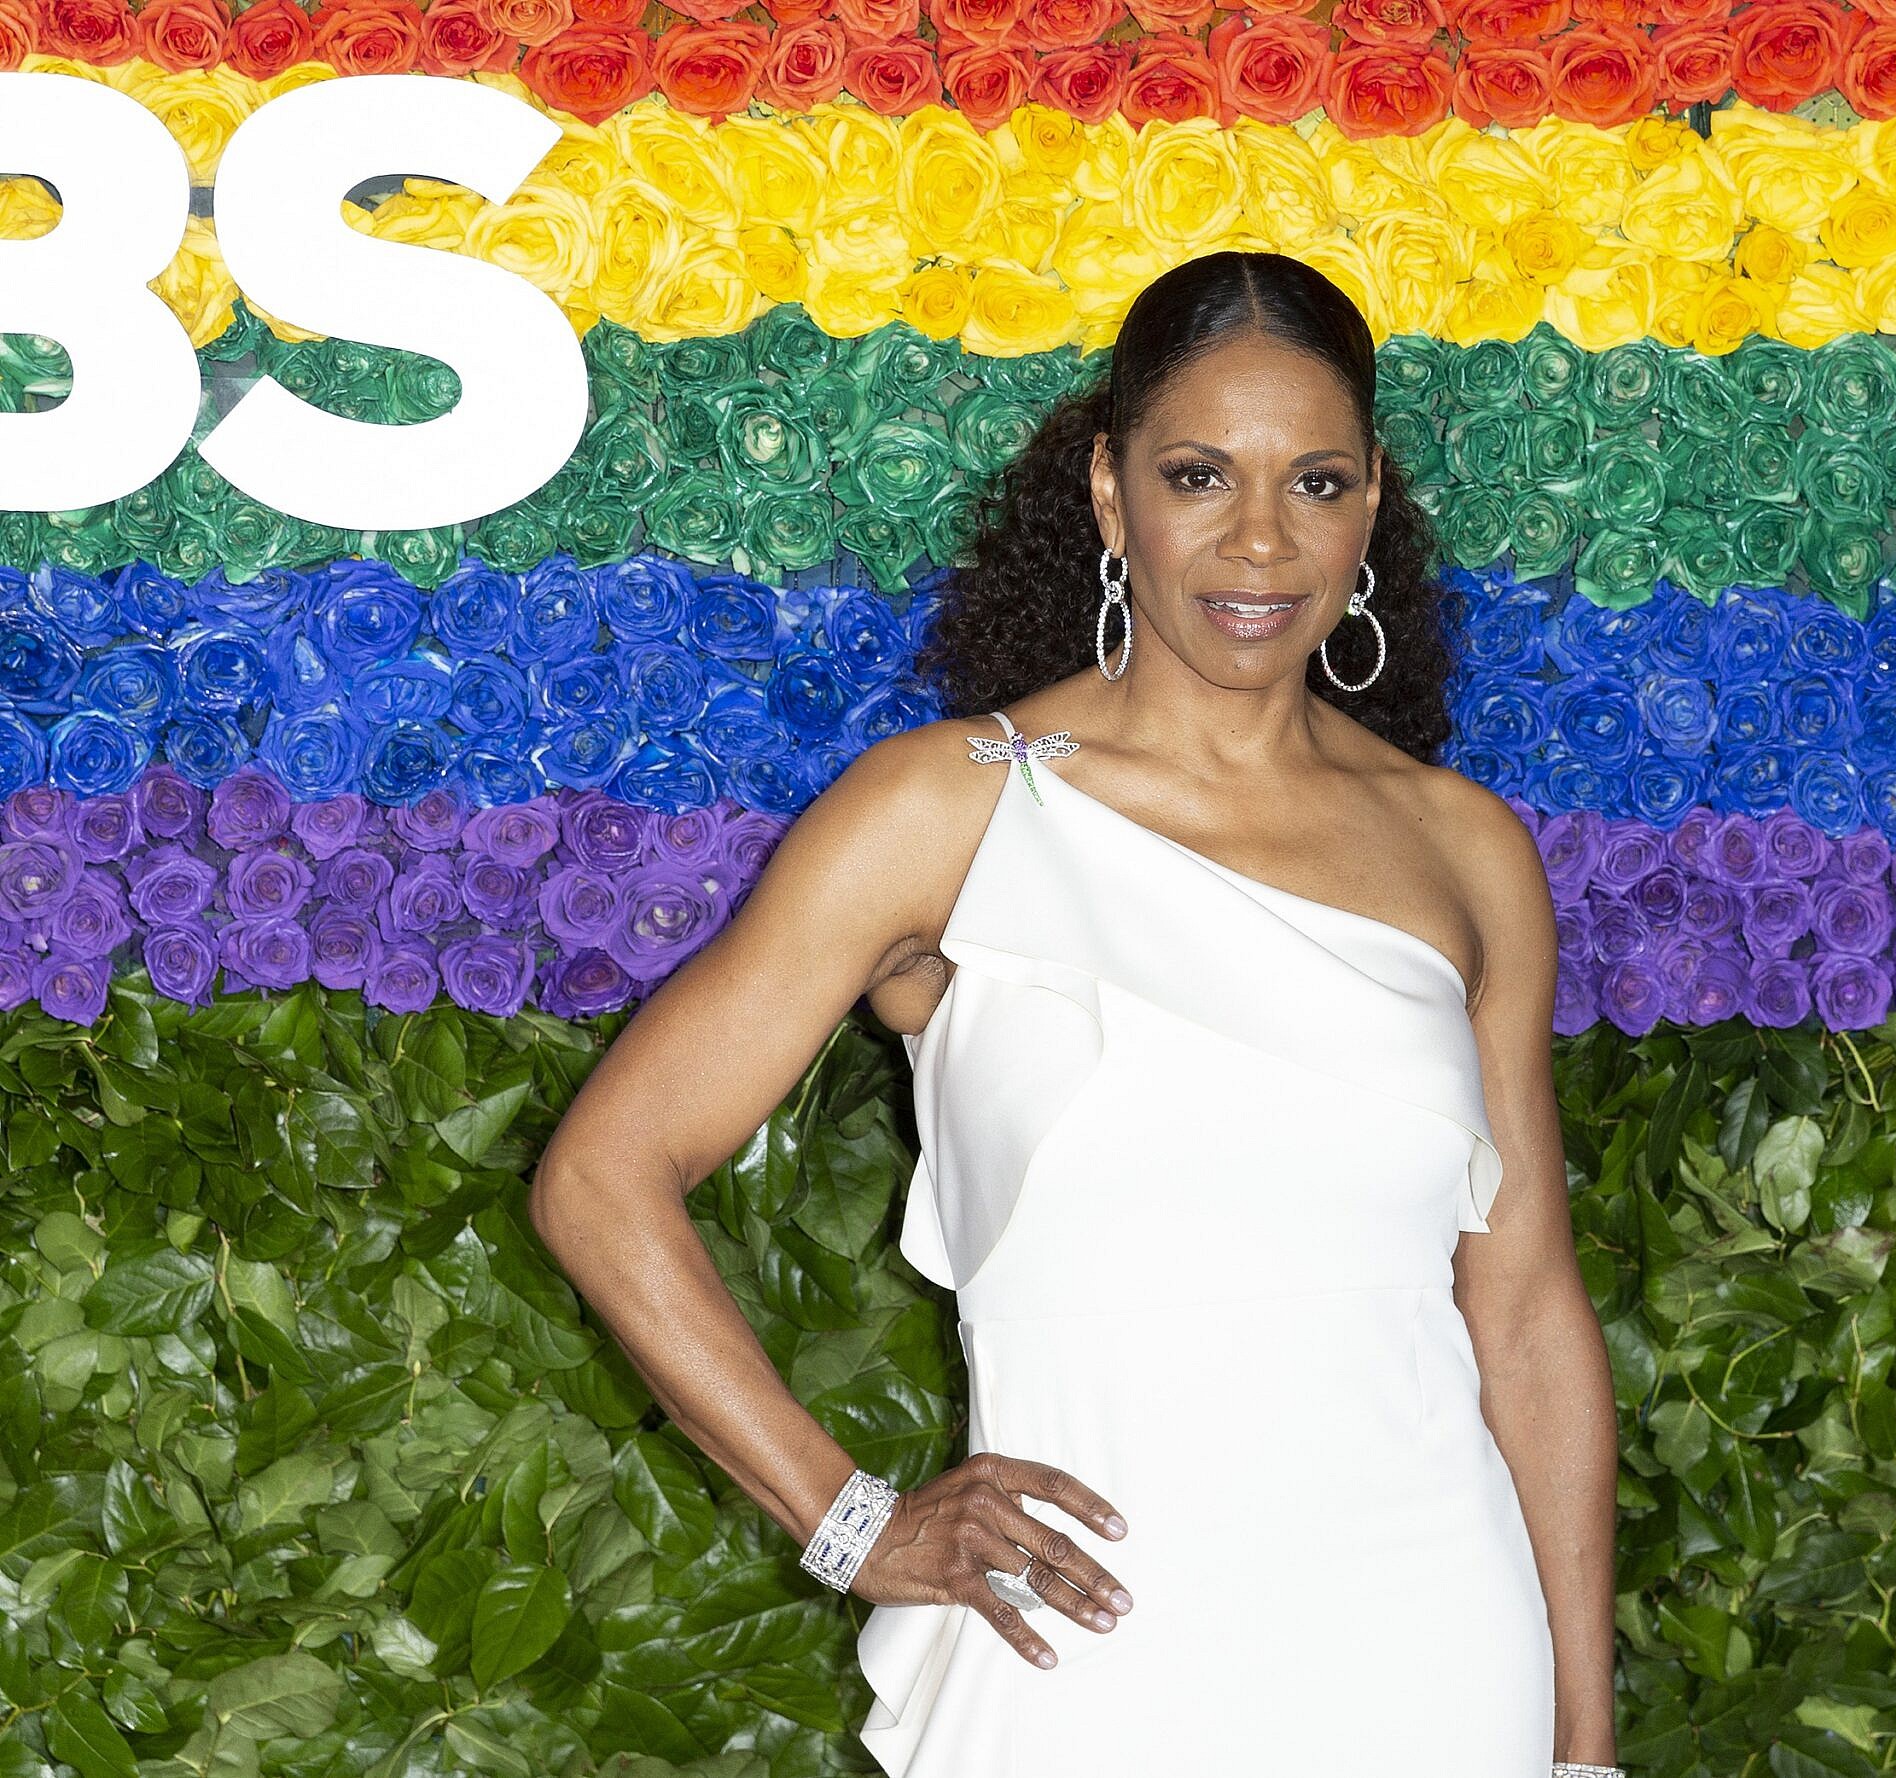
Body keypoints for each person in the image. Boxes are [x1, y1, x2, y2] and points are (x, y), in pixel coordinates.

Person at [529, 249, 1622, 1776]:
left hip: (1435, 1640)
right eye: (1198, 475)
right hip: (1084, 1646)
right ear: (1111, 495)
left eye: (1313, 482)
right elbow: (602, 1175)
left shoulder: (1465, 850)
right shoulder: (947, 809)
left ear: (1372, 501)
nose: (1258, 539)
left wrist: (1584, 1744)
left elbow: (1526, 1315)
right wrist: (854, 1520)